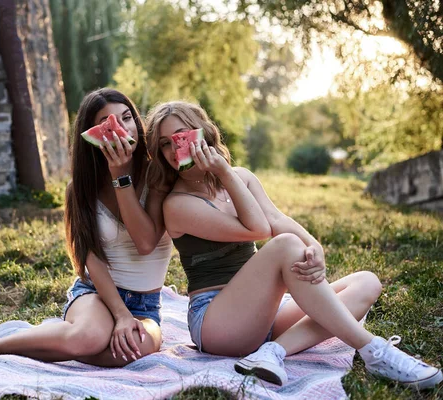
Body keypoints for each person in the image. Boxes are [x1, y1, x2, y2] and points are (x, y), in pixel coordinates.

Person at [144, 100, 442, 390]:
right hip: (217, 322)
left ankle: (273, 352)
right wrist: (223, 172)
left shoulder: (242, 178)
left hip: (266, 315)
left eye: (182, 137)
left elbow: (276, 218)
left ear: (203, 134)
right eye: (165, 144)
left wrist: (315, 246)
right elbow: (259, 229)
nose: (174, 150)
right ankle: (374, 351)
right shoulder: (177, 204)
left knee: (367, 283)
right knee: (286, 245)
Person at [0, 88, 173, 366]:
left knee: (131, 352)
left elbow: (145, 243)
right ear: (91, 136)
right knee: (87, 339)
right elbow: (91, 258)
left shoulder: (158, 177)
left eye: (127, 117)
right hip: (97, 294)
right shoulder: (80, 189)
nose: (120, 128)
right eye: (106, 122)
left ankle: (41, 337)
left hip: (146, 306)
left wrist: (121, 178)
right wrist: (119, 314)